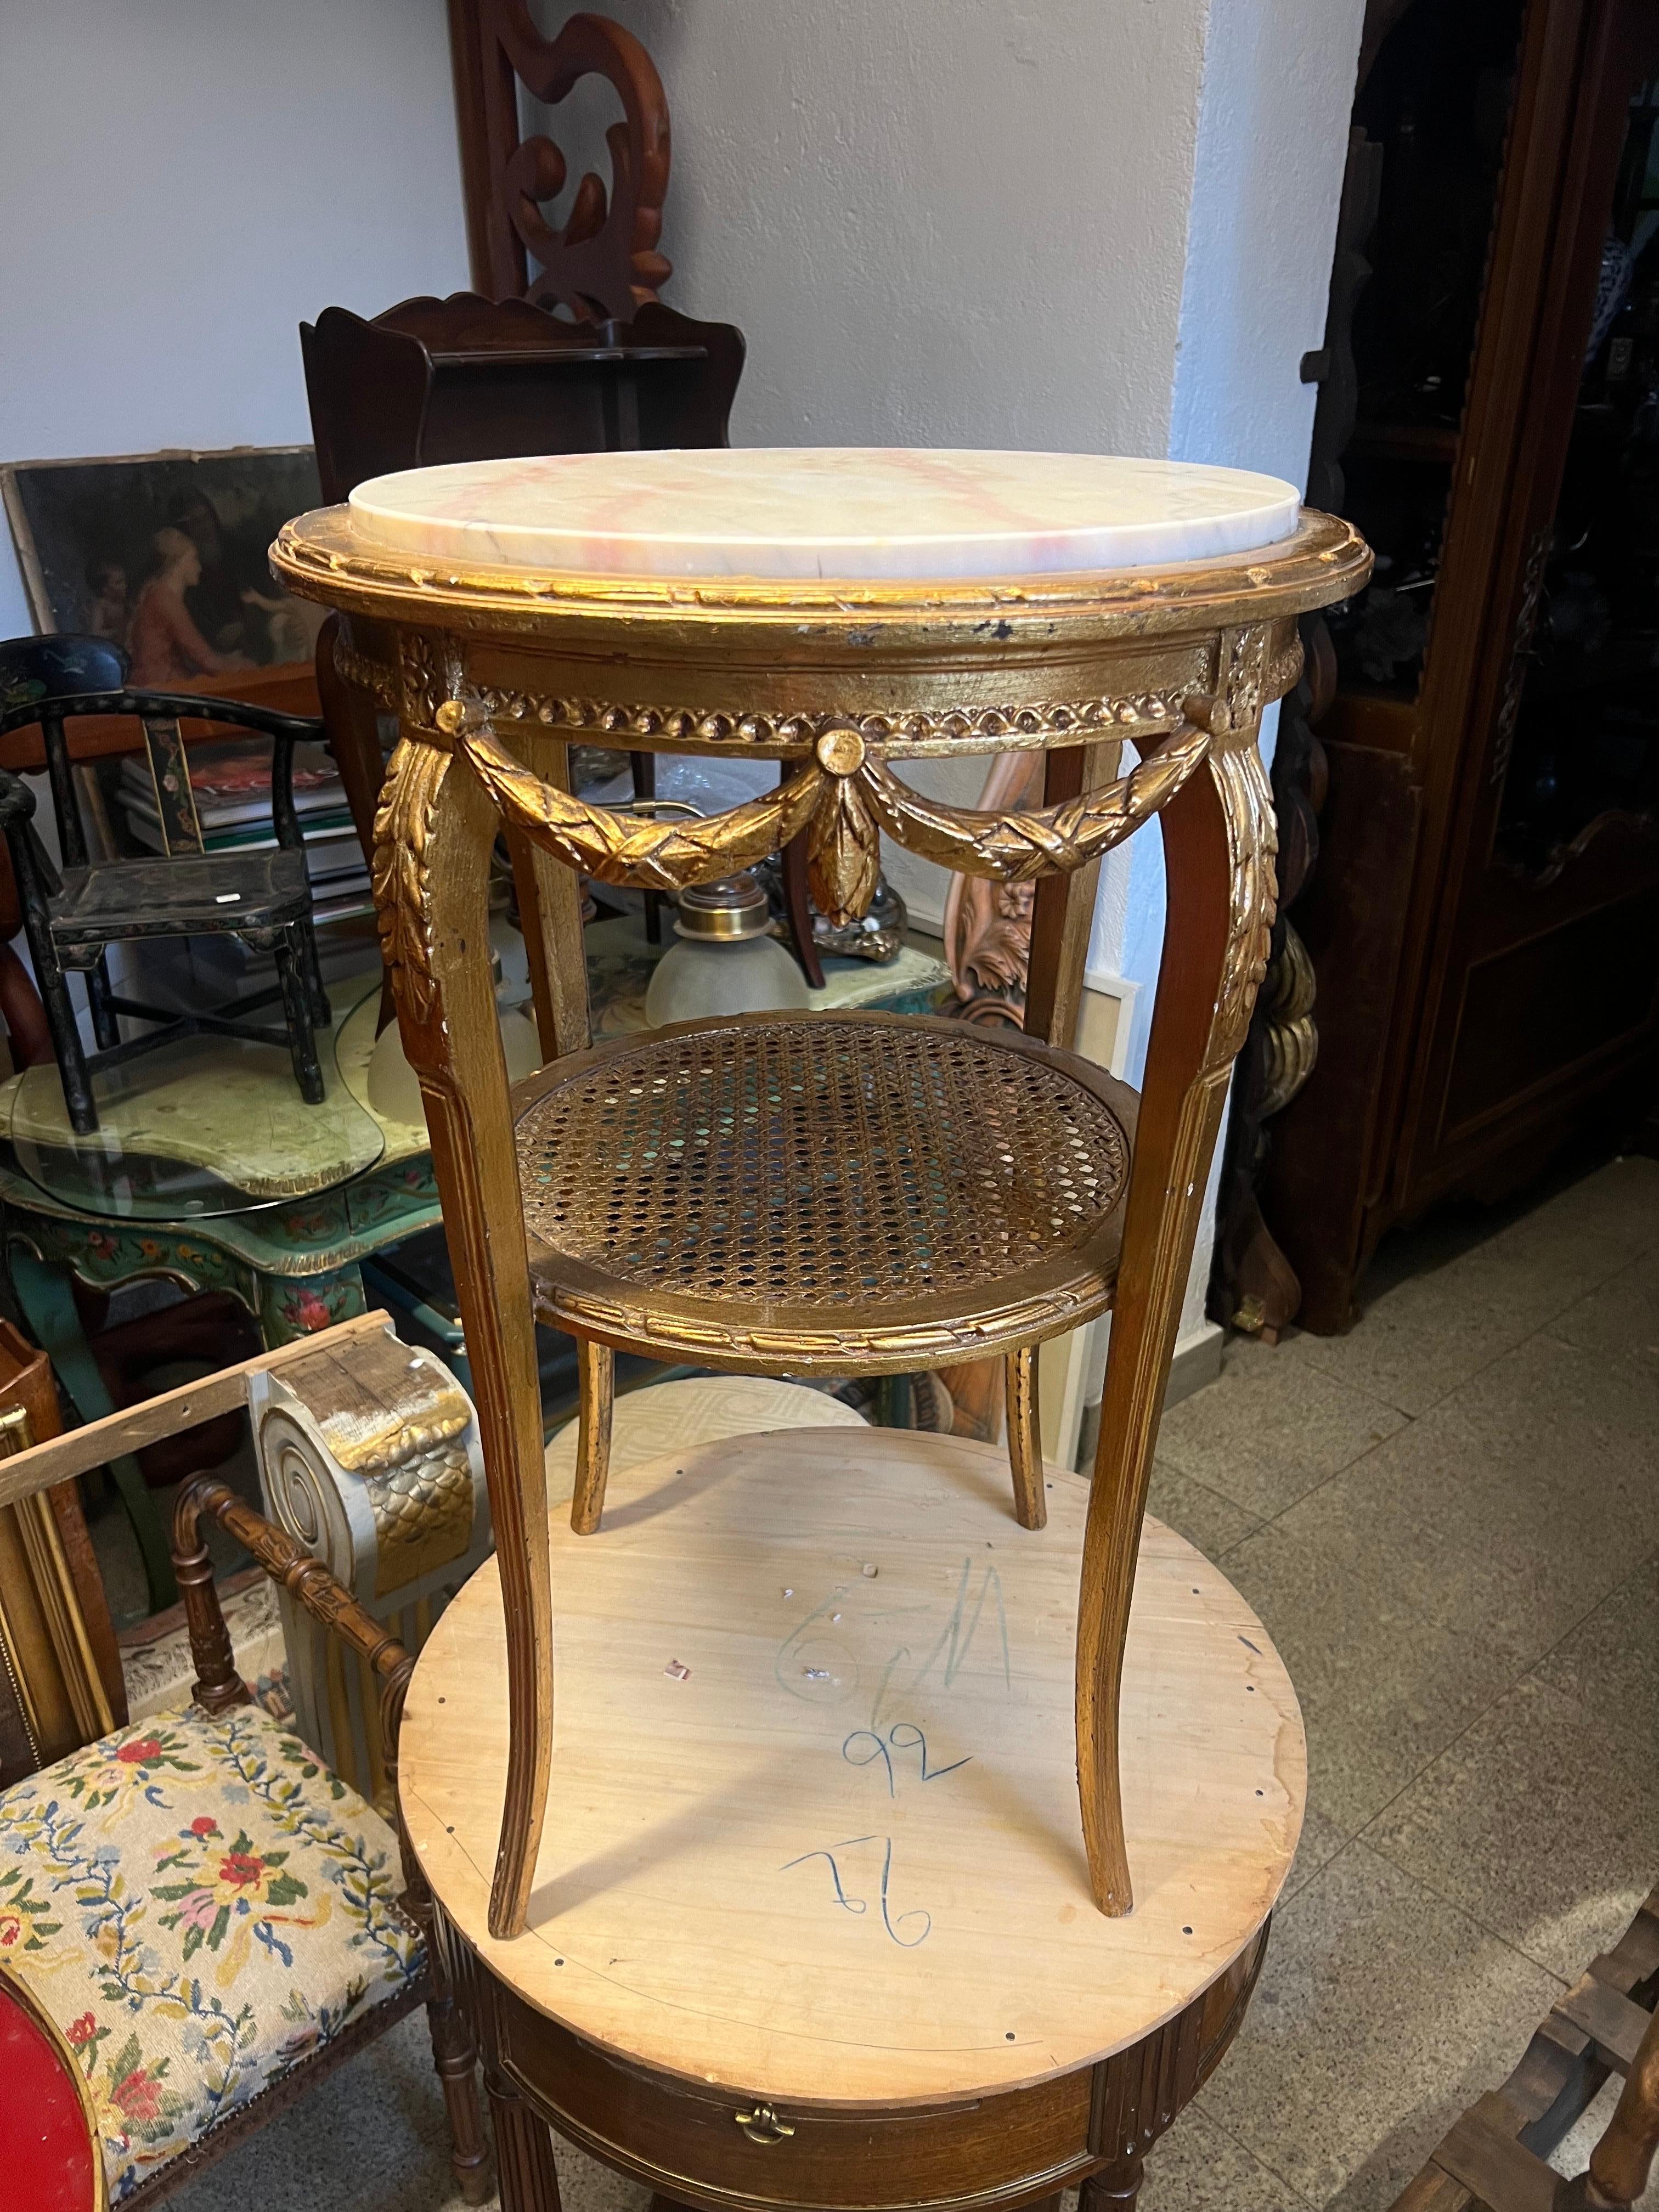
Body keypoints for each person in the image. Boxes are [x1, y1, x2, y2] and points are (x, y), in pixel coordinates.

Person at [126, 528, 250, 686]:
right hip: (163, 688)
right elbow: (208, 661)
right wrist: (248, 667)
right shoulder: (165, 600)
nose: (198, 567)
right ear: (178, 564)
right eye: (194, 559)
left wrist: (229, 660)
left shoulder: (159, 593)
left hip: (167, 683)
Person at [81, 558, 129, 642]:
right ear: (105, 589)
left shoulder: (124, 602)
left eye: (124, 581)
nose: (124, 586)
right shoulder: (100, 607)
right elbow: (95, 634)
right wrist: (117, 631)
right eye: (119, 582)